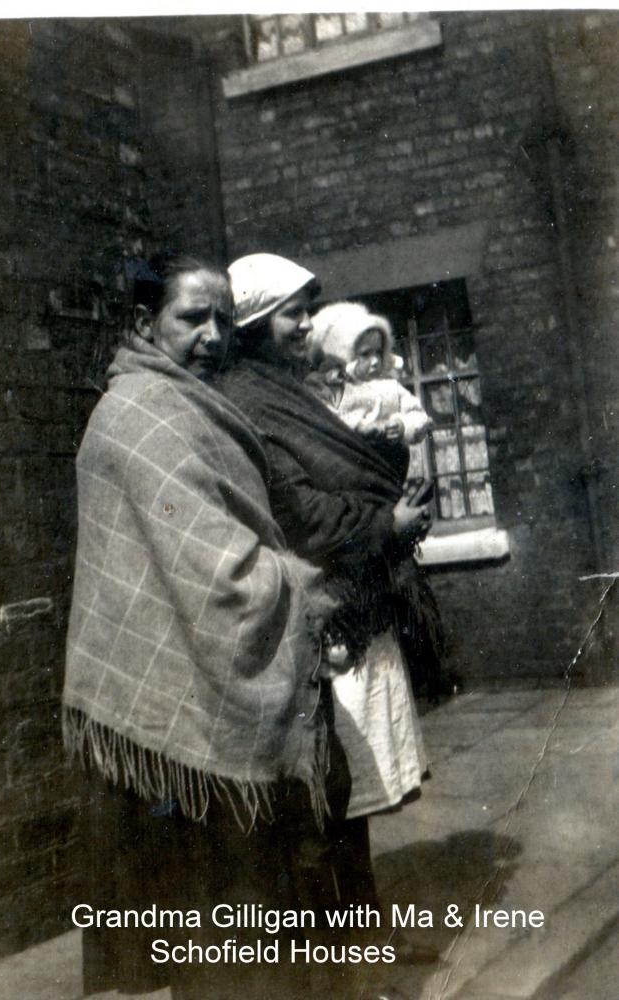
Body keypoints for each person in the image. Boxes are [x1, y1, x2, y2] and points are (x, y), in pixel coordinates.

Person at [62, 254, 341, 1000]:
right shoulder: (133, 419)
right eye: (192, 318)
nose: (213, 335)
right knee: (219, 933)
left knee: (235, 931)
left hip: (210, 697)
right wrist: (301, 585)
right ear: (145, 324)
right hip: (171, 719)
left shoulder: (199, 405)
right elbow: (218, 575)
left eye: (223, 318)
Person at [217, 254, 437, 979]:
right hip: (316, 617)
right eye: (292, 312)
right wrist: (387, 518)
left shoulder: (292, 387)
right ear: (252, 324)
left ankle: (364, 942)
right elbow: (301, 512)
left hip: (351, 605)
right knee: (325, 803)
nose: (307, 323)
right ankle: (338, 966)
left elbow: (349, 462)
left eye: (310, 308)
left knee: (352, 800)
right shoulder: (249, 399)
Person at [306, 300, 433, 446]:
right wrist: (360, 427)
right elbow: (323, 418)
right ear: (342, 355)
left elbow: (418, 414)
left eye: (378, 352)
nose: (375, 361)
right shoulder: (328, 386)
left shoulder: (390, 387)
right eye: (365, 354)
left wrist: (402, 425)